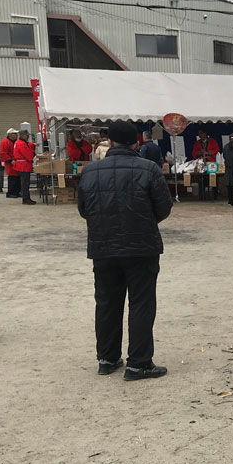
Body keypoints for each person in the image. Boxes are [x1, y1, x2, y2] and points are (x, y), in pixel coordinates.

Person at [77, 119, 172, 381]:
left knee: (107, 302)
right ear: (136, 142)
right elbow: (163, 208)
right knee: (141, 303)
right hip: (141, 246)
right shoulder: (149, 169)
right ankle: (139, 362)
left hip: (103, 246)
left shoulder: (90, 172)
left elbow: (84, 209)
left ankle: (107, 358)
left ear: (110, 141)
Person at [13, 129, 37, 205]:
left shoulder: (19, 142)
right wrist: (33, 153)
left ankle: (26, 197)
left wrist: (33, 145)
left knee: (25, 183)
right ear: (23, 135)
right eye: (27, 135)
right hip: (23, 165)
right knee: (25, 183)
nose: (27, 137)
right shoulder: (21, 144)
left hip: (21, 165)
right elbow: (28, 155)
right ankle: (26, 198)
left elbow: (28, 144)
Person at [0, 128, 19, 198]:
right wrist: (10, 160)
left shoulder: (14, 141)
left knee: (16, 179)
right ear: (11, 135)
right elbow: (2, 153)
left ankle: (16, 192)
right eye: (15, 134)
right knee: (12, 179)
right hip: (10, 163)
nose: (16, 135)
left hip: (15, 162)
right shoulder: (5, 142)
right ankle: (10, 192)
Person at [222, 133, 233, 206]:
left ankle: (230, 200)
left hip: (229, 168)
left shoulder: (225, 147)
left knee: (229, 185)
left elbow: (224, 156)